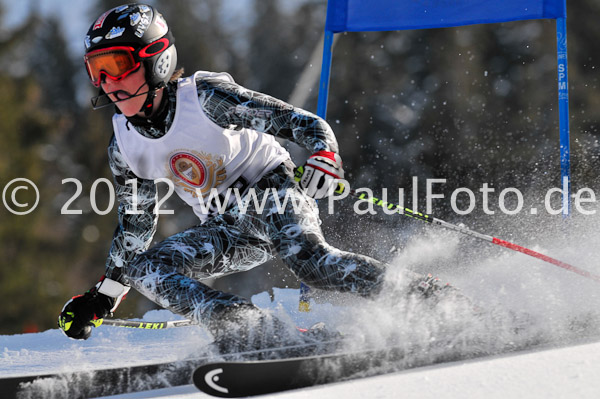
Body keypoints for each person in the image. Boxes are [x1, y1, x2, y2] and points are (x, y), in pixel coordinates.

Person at [58, 4, 446, 353]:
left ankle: (429, 299)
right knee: (145, 268)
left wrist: (324, 154)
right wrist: (103, 297)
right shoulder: (124, 146)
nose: (107, 82)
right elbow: (135, 226)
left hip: (273, 193)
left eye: (117, 65)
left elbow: (300, 123)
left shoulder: (205, 98)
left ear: (155, 59)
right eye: (97, 70)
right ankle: (247, 328)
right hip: (226, 227)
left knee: (314, 266)